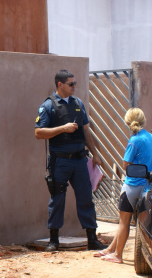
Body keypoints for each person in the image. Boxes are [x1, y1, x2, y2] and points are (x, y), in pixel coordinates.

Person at [35, 69, 107, 252]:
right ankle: (54, 240)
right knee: (57, 199)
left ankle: (92, 238)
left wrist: (95, 155)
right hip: (60, 161)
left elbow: (86, 131)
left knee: (86, 198)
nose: (75, 87)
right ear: (60, 85)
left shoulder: (78, 104)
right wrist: (62, 128)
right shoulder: (48, 106)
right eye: (71, 84)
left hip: (79, 160)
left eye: (75, 83)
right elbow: (38, 132)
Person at [94, 108, 152, 263]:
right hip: (146, 186)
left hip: (132, 185)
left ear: (128, 122)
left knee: (124, 222)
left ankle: (118, 255)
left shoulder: (134, 140)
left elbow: (126, 164)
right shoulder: (150, 138)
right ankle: (111, 249)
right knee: (142, 224)